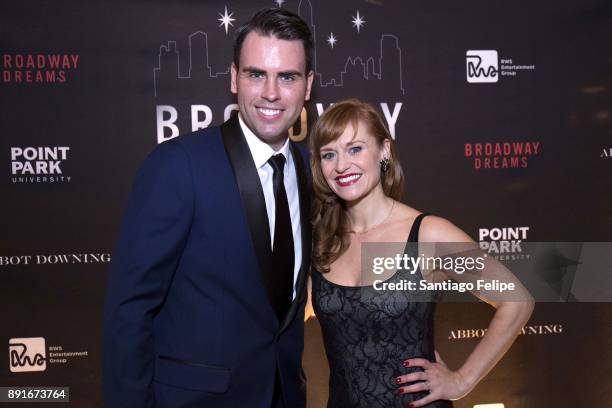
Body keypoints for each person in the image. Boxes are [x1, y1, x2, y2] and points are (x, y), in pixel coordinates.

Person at [103, 8, 314, 408]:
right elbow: (130, 311)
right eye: (256, 74)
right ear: (234, 79)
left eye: (287, 76)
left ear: (308, 86)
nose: (271, 92)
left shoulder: (310, 169)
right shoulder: (178, 165)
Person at [307, 99, 534, 407]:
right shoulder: (323, 243)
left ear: (384, 151)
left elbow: (516, 300)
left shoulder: (428, 234)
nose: (342, 165)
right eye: (329, 154)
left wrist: (462, 380)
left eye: (355, 148)